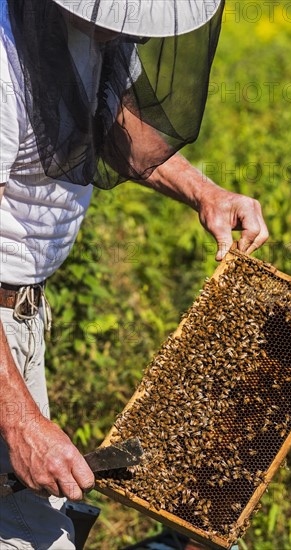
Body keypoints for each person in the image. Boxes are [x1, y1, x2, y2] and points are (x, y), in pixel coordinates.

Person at [0, 0, 268, 547]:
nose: (134, 33)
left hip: (21, 316)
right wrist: (21, 422)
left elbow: (116, 124)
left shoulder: (101, 35)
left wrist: (206, 193)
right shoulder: (5, 64)